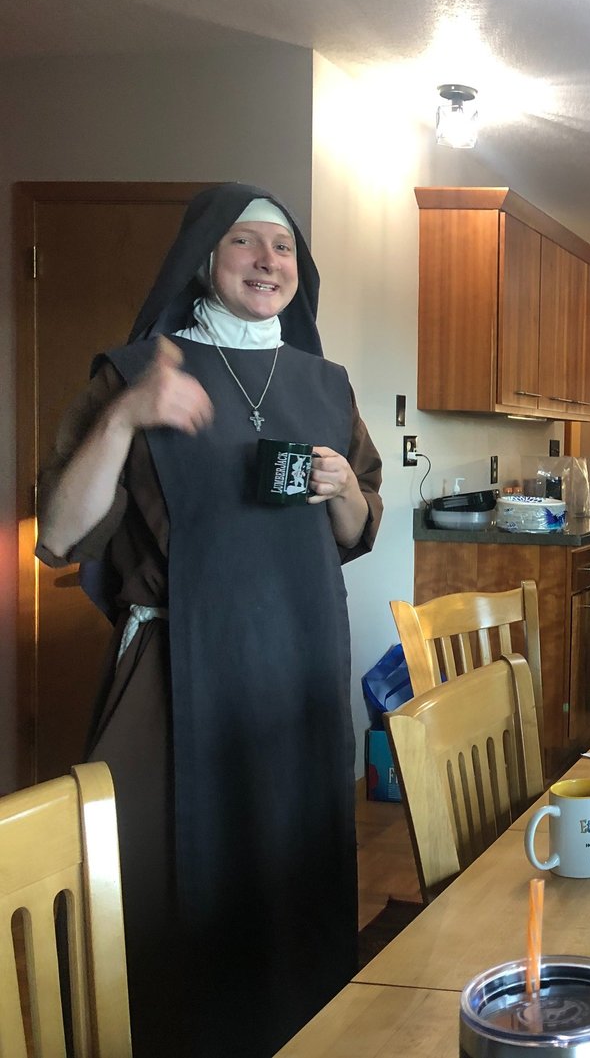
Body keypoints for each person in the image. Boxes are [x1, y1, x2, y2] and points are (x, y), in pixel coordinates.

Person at [35, 183, 383, 1056]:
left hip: (294, 670)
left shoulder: (326, 383)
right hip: (172, 678)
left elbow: (356, 531)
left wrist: (345, 492)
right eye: (244, 243)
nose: (268, 261)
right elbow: (59, 532)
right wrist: (124, 419)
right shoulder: (134, 370)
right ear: (202, 257)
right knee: (165, 899)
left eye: (284, 248)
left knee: (288, 880)